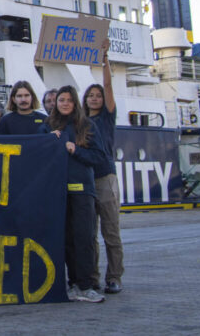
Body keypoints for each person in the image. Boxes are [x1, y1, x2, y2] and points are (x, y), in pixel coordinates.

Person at [48, 85, 108, 304]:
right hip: (58, 192)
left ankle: (86, 284)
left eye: (68, 100)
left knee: (84, 238)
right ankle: (73, 284)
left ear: (75, 103)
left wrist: (76, 150)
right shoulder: (49, 126)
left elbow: (99, 157)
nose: (64, 103)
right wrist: (48, 140)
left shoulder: (87, 125)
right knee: (66, 240)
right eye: (60, 100)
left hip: (83, 191)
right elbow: (34, 150)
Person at [85, 43, 124, 295]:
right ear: (85, 99)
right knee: (89, 235)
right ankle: (93, 277)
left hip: (105, 178)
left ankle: (114, 277)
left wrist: (104, 59)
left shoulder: (107, 117)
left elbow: (108, 86)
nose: (95, 98)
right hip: (87, 178)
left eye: (98, 95)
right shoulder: (80, 120)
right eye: (91, 95)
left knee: (110, 231)